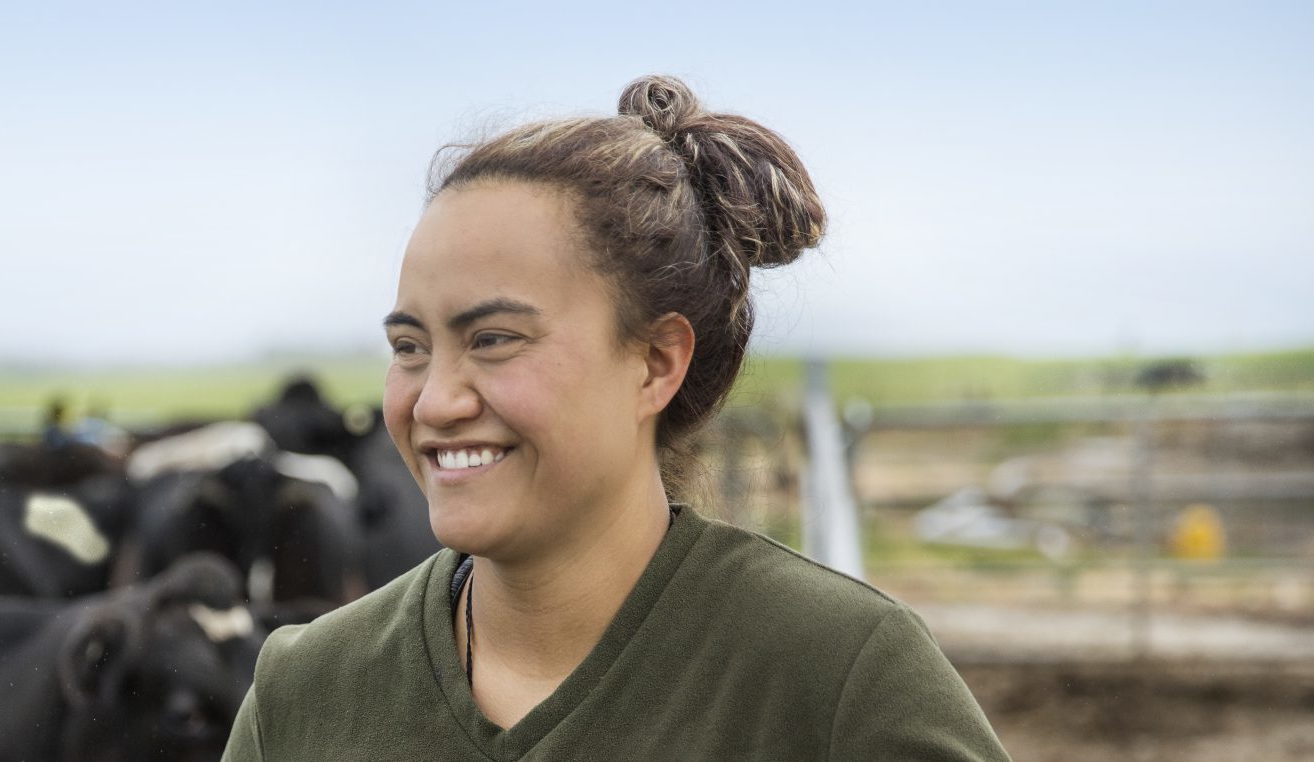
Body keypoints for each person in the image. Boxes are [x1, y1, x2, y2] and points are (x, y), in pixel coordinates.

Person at [223, 76, 1010, 760]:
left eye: (494, 340)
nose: (433, 402)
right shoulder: (306, 689)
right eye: (409, 345)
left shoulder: (836, 676)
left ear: (655, 362)